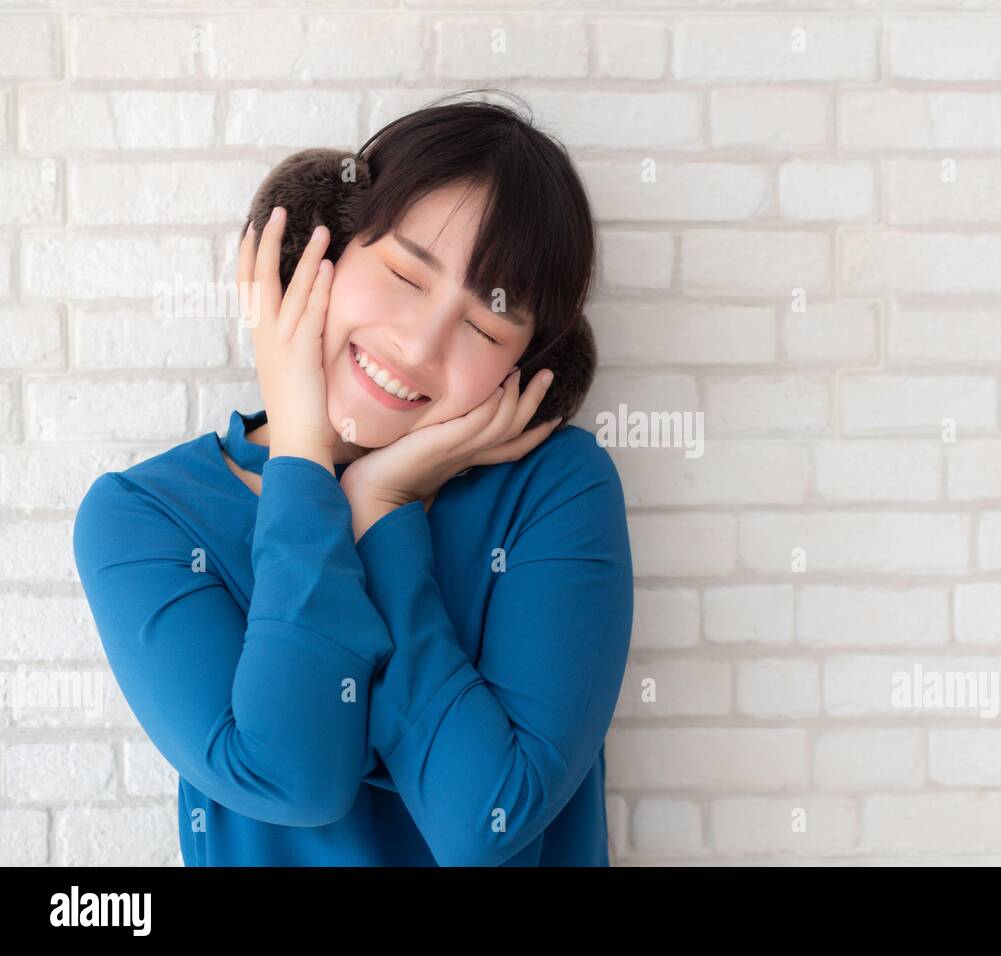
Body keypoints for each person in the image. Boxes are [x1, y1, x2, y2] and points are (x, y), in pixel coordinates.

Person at [71, 95, 635, 866]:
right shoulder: (146, 519)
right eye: (407, 275)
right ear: (318, 252)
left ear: (530, 369)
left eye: (483, 326)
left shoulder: (557, 491)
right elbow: (290, 778)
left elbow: (486, 823)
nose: (420, 344)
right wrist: (305, 456)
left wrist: (381, 511)